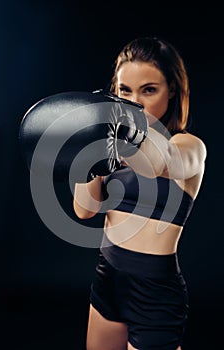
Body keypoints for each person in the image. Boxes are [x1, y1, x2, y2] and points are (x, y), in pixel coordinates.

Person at [73, 36, 207, 350]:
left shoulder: (188, 145)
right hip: (108, 277)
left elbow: (160, 162)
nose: (136, 102)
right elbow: (84, 210)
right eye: (125, 90)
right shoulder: (110, 145)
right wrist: (87, 154)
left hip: (154, 290)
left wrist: (116, 132)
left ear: (172, 90)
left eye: (149, 89)